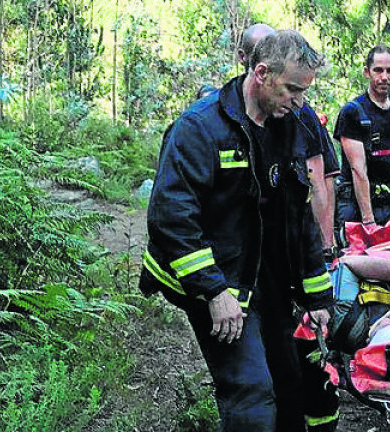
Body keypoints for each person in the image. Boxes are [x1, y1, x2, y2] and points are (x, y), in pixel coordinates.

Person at [138, 30, 334, 432]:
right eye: (293, 89)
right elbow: (171, 217)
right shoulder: (200, 129)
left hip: (269, 280)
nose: (300, 101)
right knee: (251, 391)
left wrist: (317, 297)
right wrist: (212, 290)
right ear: (261, 73)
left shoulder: (291, 123)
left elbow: (299, 218)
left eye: (304, 91)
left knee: (291, 384)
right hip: (217, 279)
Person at [239, 24, 341, 259]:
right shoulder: (210, 124)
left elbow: (319, 181)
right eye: (292, 89)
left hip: (284, 249)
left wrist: (326, 246)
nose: (298, 101)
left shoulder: (301, 117)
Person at [333, 44, 390, 230]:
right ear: (367, 72)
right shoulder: (353, 112)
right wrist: (368, 220)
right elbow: (358, 170)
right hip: (357, 205)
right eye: (378, 70)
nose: (384, 77)